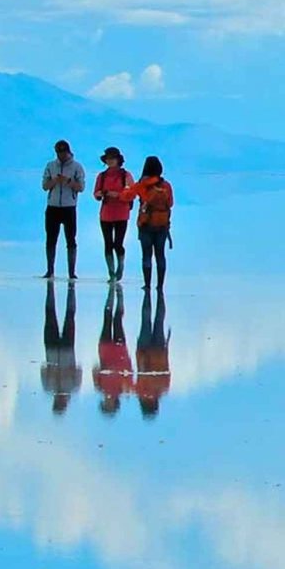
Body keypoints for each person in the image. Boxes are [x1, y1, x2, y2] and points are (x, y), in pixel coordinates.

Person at [123, 156, 175, 291]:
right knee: (160, 255)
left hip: (146, 224)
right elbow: (170, 203)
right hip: (162, 225)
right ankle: (160, 285)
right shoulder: (166, 185)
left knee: (146, 255)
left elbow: (126, 196)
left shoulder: (142, 184)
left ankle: (147, 285)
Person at [43, 140, 85, 279]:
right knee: (51, 239)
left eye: (63, 152)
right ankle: (50, 270)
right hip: (53, 207)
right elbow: (45, 186)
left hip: (69, 207)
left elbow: (81, 187)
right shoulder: (50, 166)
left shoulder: (77, 167)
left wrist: (68, 181)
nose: (61, 155)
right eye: (58, 152)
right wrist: (55, 180)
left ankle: (72, 272)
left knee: (71, 239)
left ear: (68, 152)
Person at [93, 146, 135, 284]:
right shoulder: (102, 176)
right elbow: (96, 193)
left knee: (118, 243)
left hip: (121, 213)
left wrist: (117, 195)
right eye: (108, 159)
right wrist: (102, 194)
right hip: (106, 213)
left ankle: (120, 266)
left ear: (118, 159)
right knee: (108, 243)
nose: (110, 161)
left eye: (113, 158)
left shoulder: (126, 175)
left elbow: (131, 193)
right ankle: (111, 272)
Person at [40, 279, 81, 415]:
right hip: (66, 351)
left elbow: (43, 369)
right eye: (61, 403)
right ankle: (68, 291)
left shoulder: (49, 387)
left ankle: (52, 290)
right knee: (69, 317)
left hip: (52, 350)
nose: (60, 400)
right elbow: (78, 369)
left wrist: (56, 371)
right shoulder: (73, 387)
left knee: (51, 315)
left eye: (58, 402)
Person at [93, 284, 132, 416]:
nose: (107, 401)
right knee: (117, 321)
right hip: (119, 351)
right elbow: (129, 371)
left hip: (106, 350)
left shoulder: (100, 388)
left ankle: (113, 295)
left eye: (105, 404)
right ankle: (119, 296)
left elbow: (96, 370)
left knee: (108, 319)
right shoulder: (123, 389)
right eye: (108, 405)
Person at [135, 288, 171, 420]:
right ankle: (156, 293)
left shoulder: (163, 388)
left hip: (158, 350)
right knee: (148, 319)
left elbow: (165, 368)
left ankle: (152, 294)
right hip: (152, 351)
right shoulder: (146, 390)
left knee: (157, 319)